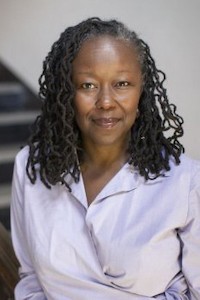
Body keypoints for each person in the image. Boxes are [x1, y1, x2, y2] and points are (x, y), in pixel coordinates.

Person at [11, 17, 200, 300]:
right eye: (88, 85)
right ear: (66, 91)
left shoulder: (186, 181)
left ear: (142, 90)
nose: (106, 101)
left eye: (122, 83)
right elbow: (31, 281)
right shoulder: (31, 168)